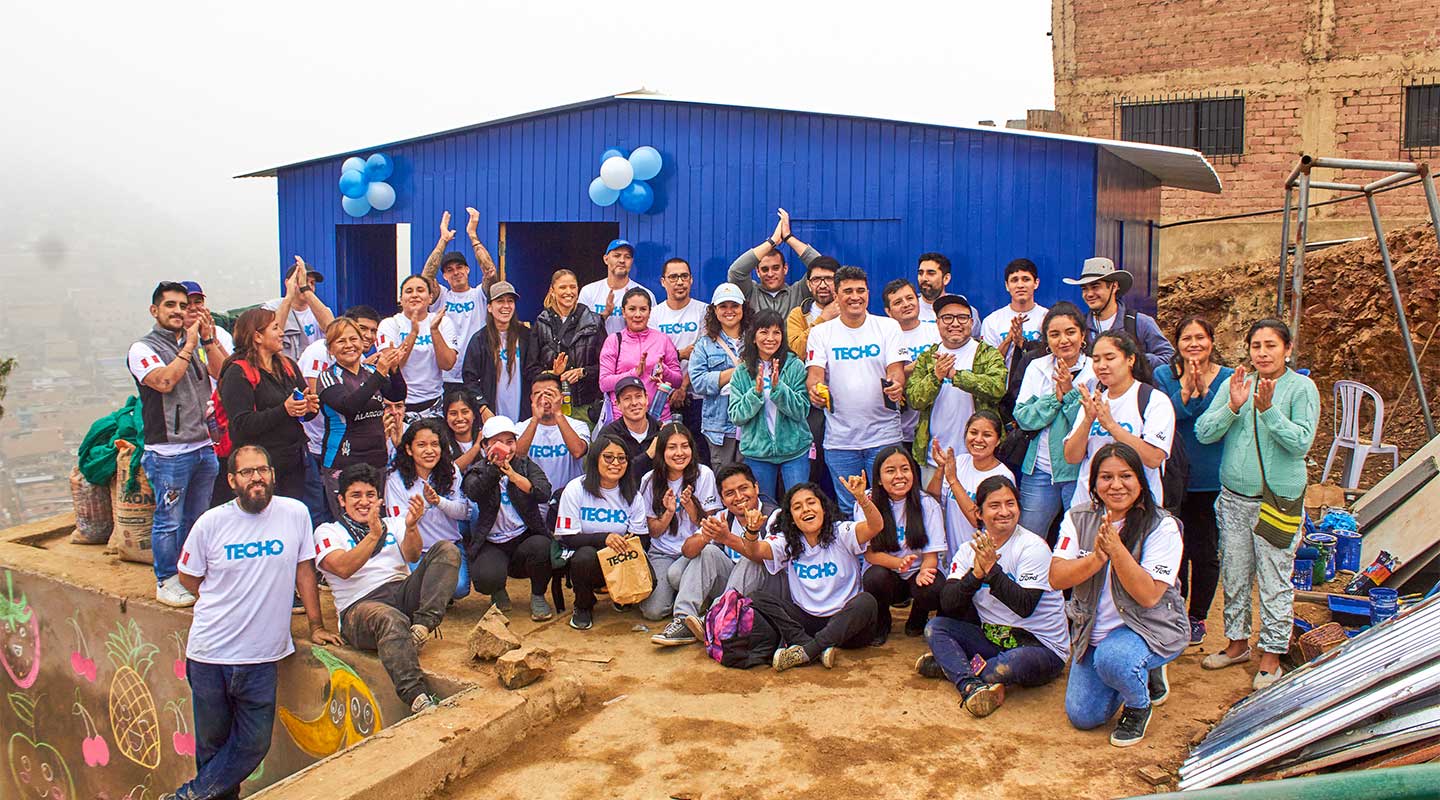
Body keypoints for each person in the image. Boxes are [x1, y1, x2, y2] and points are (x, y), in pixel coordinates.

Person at [172, 445, 340, 799]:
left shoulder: (295, 513)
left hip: (262, 656)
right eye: (247, 472)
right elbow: (188, 577)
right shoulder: (211, 523)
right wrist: (224, 601)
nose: (256, 478)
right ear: (232, 480)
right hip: (210, 656)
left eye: (262, 470)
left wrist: (316, 625)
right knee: (212, 749)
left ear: (272, 474)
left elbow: (305, 571)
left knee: (253, 743)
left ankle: (188, 796)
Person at [1195, 319, 1319, 690]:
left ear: (1288, 349)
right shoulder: (1237, 383)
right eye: (1256, 346)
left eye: (1271, 345)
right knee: (1234, 574)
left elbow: (1301, 443)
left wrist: (1269, 411)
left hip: (1277, 502)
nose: (1262, 353)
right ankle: (1236, 644)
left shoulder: (1301, 388)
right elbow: (1204, 433)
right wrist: (1233, 407)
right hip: (1234, 499)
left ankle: (1271, 655)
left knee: (1274, 579)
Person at [1050, 443, 1189, 747]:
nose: (1116, 485)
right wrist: (1096, 559)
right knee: (1083, 715)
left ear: (1140, 480)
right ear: (1094, 484)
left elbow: (1149, 596)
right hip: (1094, 633)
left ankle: (1138, 704)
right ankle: (1133, 670)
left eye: (1126, 476)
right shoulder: (1078, 517)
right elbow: (1056, 577)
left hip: (1147, 627)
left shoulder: (1162, 526)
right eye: (1106, 477)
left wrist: (1117, 551)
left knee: (1114, 658)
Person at [312, 464, 460, 713]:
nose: (364, 502)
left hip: (401, 592)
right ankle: (418, 698)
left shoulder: (394, 523)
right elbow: (342, 568)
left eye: (370, 495)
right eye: (355, 495)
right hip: (359, 608)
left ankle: (421, 628)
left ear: (379, 498)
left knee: (447, 550)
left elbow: (413, 556)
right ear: (341, 500)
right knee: (388, 617)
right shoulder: (328, 531)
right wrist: (373, 536)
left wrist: (411, 527)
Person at [918, 476, 1069, 717]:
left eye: (1010, 504)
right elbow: (948, 603)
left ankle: (956, 668)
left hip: (1039, 646)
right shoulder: (967, 550)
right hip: (993, 639)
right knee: (936, 627)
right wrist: (975, 575)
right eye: (995, 505)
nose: (1004, 512)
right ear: (979, 513)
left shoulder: (1033, 547)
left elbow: (1025, 606)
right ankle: (972, 685)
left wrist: (991, 570)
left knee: (1009, 664)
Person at [130, 282, 225, 608]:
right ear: (154, 310)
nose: (178, 311)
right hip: (168, 452)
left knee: (197, 517)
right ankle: (166, 579)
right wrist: (189, 346)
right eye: (170, 305)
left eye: (183, 306)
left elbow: (221, 374)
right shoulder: (142, 349)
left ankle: (191, 573)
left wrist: (207, 341)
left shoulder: (193, 343)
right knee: (168, 520)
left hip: (203, 445)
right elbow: (164, 381)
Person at [728, 477, 884, 671]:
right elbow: (756, 552)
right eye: (797, 507)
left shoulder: (841, 532)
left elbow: (875, 526)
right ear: (791, 518)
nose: (806, 510)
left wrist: (862, 499)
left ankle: (808, 651)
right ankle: (811, 646)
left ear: (823, 508)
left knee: (866, 602)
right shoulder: (788, 541)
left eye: (811, 503)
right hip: (808, 623)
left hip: (848, 626)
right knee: (757, 598)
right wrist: (752, 531)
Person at [1153, 316, 1233, 645]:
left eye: (1200, 337)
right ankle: (1175, 613)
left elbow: (1224, 419)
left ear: (1211, 341)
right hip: (1172, 478)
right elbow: (1161, 418)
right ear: (1177, 344)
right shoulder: (1163, 376)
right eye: (1187, 338)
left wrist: (1203, 394)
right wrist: (1185, 393)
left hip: (1210, 477)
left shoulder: (1228, 379)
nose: (1194, 344)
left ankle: (1197, 616)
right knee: (1174, 549)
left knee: (1205, 551)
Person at [805, 265, 907, 515]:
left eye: (860, 290)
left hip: (885, 436)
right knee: (850, 508)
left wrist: (897, 385)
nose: (855, 297)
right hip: (841, 440)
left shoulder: (888, 327)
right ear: (836, 295)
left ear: (868, 293)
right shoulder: (820, 332)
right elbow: (814, 376)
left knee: (891, 506)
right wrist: (815, 391)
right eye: (848, 291)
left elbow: (896, 371)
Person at [652, 463, 779, 646]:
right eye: (730, 493)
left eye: (743, 488)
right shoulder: (723, 516)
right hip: (732, 587)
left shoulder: (774, 516)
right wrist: (706, 536)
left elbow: (764, 557)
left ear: (756, 488)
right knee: (708, 551)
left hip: (765, 588)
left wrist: (726, 538)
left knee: (751, 558)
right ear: (722, 499)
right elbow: (687, 550)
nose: (738, 497)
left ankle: (713, 617)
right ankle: (683, 620)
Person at [1063, 331, 1175, 509]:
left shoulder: (1154, 400)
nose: (1102, 366)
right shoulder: (1093, 400)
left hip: (1137, 508)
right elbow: (1071, 456)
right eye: (1096, 360)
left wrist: (1111, 426)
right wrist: (1088, 420)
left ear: (1130, 359)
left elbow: (1154, 458)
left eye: (1110, 358)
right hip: (1088, 505)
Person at [1013, 302, 1096, 540]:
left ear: (1082, 336)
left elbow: (1089, 423)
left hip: (1081, 471)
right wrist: (1055, 399)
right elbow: (1023, 417)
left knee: (1080, 539)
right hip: (1039, 469)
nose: (1063, 340)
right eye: (1055, 334)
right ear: (1047, 340)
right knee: (1028, 538)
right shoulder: (1037, 367)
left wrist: (1068, 392)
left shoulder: (1094, 370)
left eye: (1070, 332)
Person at [218, 307, 317, 504]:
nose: (281, 333)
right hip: (259, 466)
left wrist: (308, 408)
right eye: (275, 328)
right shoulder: (237, 373)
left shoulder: (287, 365)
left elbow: (300, 412)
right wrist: (284, 410)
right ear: (257, 336)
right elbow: (241, 424)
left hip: (294, 460)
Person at [462, 416, 556, 622]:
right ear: (485, 446)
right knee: (486, 577)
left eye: (510, 441)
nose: (505, 448)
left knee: (543, 547)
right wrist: (493, 470)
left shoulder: (525, 465)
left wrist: (514, 477)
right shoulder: (477, 470)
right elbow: (473, 491)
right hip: (492, 542)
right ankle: (497, 590)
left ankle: (538, 595)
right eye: (498, 442)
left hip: (523, 537)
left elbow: (544, 492)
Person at [553, 434, 650, 630]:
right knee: (584, 557)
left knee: (651, 579)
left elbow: (642, 538)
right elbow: (568, 537)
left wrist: (625, 542)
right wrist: (605, 538)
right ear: (595, 458)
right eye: (608, 457)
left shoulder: (633, 494)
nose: (615, 463)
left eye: (621, 458)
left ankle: (621, 593)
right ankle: (583, 605)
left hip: (619, 555)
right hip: (584, 555)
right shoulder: (576, 488)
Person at [905, 293, 1007, 478]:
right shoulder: (927, 357)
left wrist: (956, 376)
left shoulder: (987, 354)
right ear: (937, 323)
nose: (955, 323)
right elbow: (914, 400)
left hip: (980, 457)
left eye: (962, 317)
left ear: (971, 322)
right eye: (947, 318)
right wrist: (936, 376)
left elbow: (997, 388)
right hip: (934, 457)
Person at [316, 318, 407, 518]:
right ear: (330, 349)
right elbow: (349, 406)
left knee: (376, 521)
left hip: (377, 459)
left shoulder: (371, 372)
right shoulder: (328, 377)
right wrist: (381, 373)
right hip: (343, 462)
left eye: (353, 339)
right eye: (341, 341)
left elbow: (397, 395)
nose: (349, 345)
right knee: (350, 523)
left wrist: (394, 369)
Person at [637, 423, 724, 622]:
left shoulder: (704, 474)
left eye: (685, 446)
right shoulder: (650, 480)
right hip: (663, 552)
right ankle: (681, 595)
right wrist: (669, 513)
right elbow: (653, 532)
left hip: (697, 551)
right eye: (672, 447)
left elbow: (710, 527)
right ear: (662, 452)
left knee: (676, 576)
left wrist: (692, 509)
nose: (679, 453)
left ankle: (689, 596)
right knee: (653, 611)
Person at [859, 445, 945, 643]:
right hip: (888, 574)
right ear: (878, 479)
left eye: (905, 469)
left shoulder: (927, 503)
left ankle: (918, 617)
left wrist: (924, 572)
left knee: (932, 586)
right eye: (890, 471)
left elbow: (931, 556)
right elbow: (870, 554)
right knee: (874, 577)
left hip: (916, 573)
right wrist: (898, 563)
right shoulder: (867, 503)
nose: (899, 476)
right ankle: (882, 621)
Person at [728, 310, 813, 504]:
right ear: (753, 337)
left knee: (799, 503)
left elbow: (802, 410)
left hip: (795, 450)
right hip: (758, 453)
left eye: (776, 332)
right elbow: (736, 416)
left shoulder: (794, 366)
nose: (770, 338)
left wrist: (779, 389)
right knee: (764, 507)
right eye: (764, 332)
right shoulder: (742, 371)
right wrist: (755, 394)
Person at [385, 419, 472, 600]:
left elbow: (465, 512)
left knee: (459, 588)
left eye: (434, 444)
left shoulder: (451, 470)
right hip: (415, 551)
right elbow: (397, 523)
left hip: (448, 545)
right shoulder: (395, 479)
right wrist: (423, 506)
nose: (429, 451)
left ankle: (437, 592)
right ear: (409, 449)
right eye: (421, 445)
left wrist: (439, 501)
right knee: (413, 592)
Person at [419, 208, 499, 397]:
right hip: (447, 376)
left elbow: (490, 272)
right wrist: (443, 240)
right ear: (444, 276)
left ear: (468, 270)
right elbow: (426, 278)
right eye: (449, 270)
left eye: (459, 267)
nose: (456, 272)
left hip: (477, 374)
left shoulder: (479, 294)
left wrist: (472, 235)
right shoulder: (442, 296)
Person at [782, 256, 840, 494]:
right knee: (813, 462)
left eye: (829, 279)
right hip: (811, 401)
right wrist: (823, 319)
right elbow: (796, 348)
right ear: (808, 284)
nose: (822, 285)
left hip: (845, 400)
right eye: (816, 279)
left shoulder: (852, 311)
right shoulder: (799, 314)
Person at [927, 411, 1015, 562]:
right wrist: (941, 469)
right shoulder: (960, 462)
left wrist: (953, 480)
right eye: (973, 432)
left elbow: (979, 521)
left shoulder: (1003, 476)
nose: (978, 439)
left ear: (998, 441)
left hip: (981, 560)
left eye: (987, 435)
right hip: (954, 558)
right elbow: (932, 501)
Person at [1062, 257, 1174, 369]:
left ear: (1114, 287)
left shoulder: (1139, 323)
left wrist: (1133, 359)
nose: (1089, 294)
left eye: (1095, 287)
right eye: (1084, 289)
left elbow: (1170, 358)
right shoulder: (1080, 326)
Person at [650, 257, 710, 463]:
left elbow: (702, 354)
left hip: (697, 396)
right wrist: (680, 355)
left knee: (699, 454)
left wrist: (683, 386)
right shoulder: (654, 315)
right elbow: (655, 356)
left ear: (691, 280)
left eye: (684, 276)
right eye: (673, 277)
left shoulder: (704, 311)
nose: (679, 282)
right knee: (666, 455)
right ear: (663, 281)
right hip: (662, 397)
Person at [377, 274, 461, 418]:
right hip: (399, 405)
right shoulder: (389, 324)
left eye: (420, 290)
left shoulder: (443, 322)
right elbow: (393, 366)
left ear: (430, 298)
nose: (415, 295)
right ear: (401, 299)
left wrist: (434, 331)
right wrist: (413, 333)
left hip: (434, 404)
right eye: (409, 291)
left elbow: (447, 364)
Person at [688, 283, 751, 469]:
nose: (729, 311)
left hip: (752, 425)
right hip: (719, 428)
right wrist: (735, 372)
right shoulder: (704, 344)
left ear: (743, 308)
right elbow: (698, 382)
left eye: (734, 306)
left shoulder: (756, 340)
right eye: (723, 306)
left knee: (750, 480)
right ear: (715, 311)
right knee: (723, 479)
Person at [598, 287, 682, 422]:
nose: (637, 314)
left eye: (643, 309)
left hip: (659, 418)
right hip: (622, 420)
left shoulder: (663, 339)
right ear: (623, 312)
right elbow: (604, 384)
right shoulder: (613, 341)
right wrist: (634, 373)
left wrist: (665, 371)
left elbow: (678, 381)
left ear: (650, 312)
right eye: (632, 309)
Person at [535, 269, 607, 424]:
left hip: (586, 408)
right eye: (563, 287)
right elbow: (530, 369)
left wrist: (584, 372)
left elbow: (607, 366)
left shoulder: (594, 322)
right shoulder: (541, 323)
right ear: (552, 291)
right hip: (551, 407)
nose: (568, 292)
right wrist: (552, 373)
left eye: (572, 287)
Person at [461, 281, 540, 421]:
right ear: (489, 307)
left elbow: (533, 371)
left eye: (510, 301)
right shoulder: (479, 340)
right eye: (500, 301)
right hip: (492, 417)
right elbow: (469, 379)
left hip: (524, 416)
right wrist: (483, 408)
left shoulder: (527, 336)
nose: (506, 306)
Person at [727, 208, 821, 318]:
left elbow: (822, 267)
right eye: (765, 269)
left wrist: (788, 237)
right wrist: (772, 241)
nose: (770, 274)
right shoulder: (749, 292)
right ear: (757, 272)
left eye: (776, 268)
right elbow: (736, 272)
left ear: (785, 269)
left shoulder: (799, 291)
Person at [883, 279, 941, 454]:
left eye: (910, 298)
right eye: (898, 302)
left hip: (936, 429)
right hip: (898, 432)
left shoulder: (938, 331)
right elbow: (882, 378)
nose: (906, 304)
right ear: (888, 312)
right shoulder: (883, 338)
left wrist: (904, 370)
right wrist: (921, 363)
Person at [516, 373, 591, 507]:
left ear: (561, 397)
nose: (544, 400)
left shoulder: (578, 426)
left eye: (550, 394)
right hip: (533, 501)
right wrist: (535, 419)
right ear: (531, 398)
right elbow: (517, 455)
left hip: (568, 501)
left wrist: (558, 413)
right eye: (538, 394)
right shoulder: (520, 427)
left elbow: (578, 451)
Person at [296, 329, 334, 527]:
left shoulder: (362, 360)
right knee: (316, 505)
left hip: (336, 444)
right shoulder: (318, 351)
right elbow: (315, 395)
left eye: (372, 331)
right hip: (313, 441)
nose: (368, 336)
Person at [263, 258, 335, 361]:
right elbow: (270, 335)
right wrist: (289, 296)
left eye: (312, 283)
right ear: (288, 283)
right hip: (284, 365)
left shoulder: (320, 309)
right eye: (302, 281)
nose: (308, 286)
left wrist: (305, 290)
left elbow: (333, 329)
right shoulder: (271, 307)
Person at [578, 239, 655, 334]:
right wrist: (606, 313)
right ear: (606, 259)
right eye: (617, 256)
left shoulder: (645, 295)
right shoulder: (589, 291)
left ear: (632, 261)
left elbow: (652, 333)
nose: (622, 260)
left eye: (627, 257)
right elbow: (581, 330)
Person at [981, 257, 1049, 363]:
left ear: (1036, 283)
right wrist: (1008, 339)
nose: (1020, 285)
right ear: (1007, 286)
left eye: (1026, 279)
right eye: (1014, 280)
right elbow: (987, 364)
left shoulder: (1048, 317)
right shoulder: (991, 321)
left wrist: (1023, 342)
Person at [597, 376, 662, 477]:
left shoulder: (660, 430)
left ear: (646, 398)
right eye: (627, 398)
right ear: (617, 404)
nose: (634, 403)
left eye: (638, 396)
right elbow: (606, 472)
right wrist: (648, 455)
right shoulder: (609, 435)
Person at [181, 281, 234, 365]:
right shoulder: (172, 336)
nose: (193, 307)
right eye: (187, 303)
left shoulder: (219, 333)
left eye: (197, 302)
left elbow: (231, 368)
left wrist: (214, 343)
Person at [442, 390, 486, 474]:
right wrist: (476, 447)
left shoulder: (486, 439)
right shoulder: (442, 443)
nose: (460, 418)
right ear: (446, 417)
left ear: (474, 415)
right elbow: (450, 472)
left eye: (465, 412)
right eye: (453, 413)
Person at [915, 253, 953, 325]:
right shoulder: (906, 311)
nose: (924, 278)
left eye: (931, 273)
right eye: (920, 273)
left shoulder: (964, 312)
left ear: (946, 279)